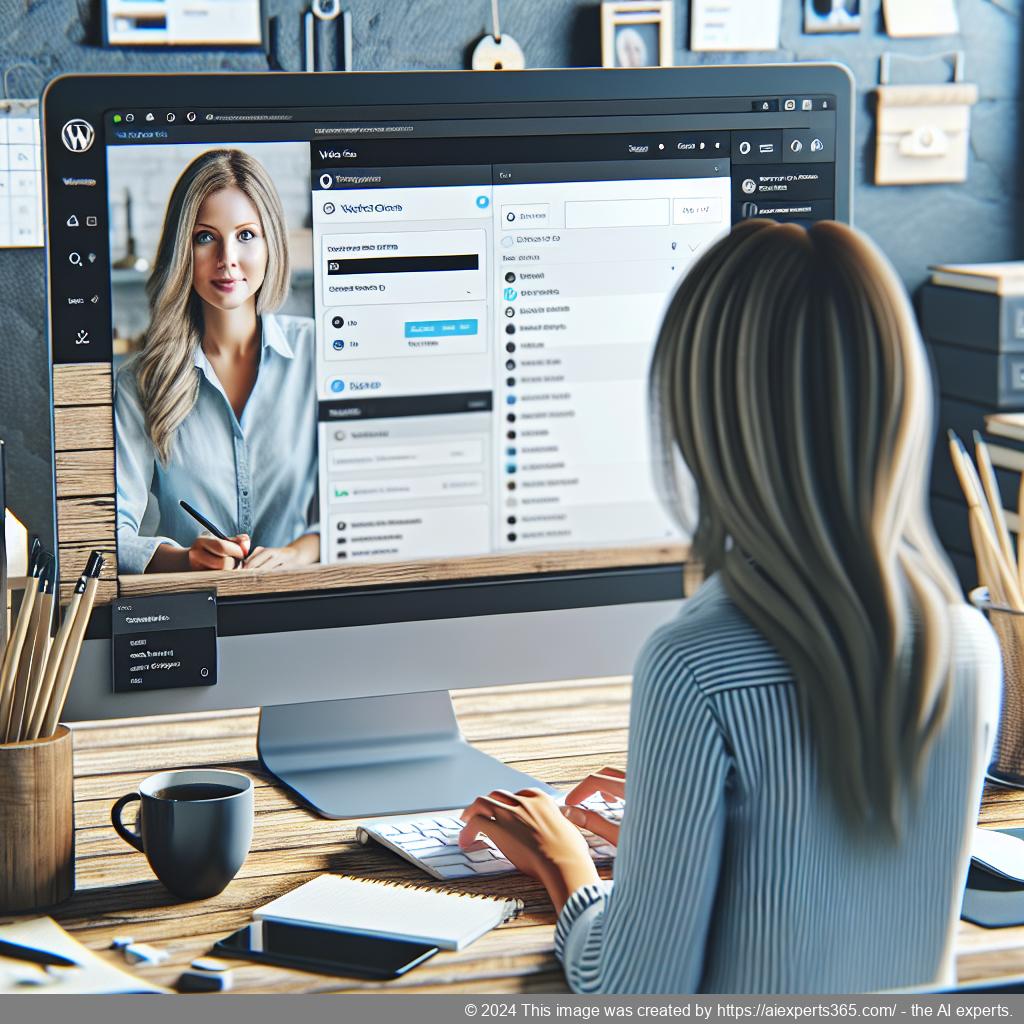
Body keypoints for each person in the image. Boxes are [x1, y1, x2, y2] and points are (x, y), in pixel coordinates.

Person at [457, 220, 1001, 993]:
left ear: (705, 414)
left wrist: (569, 867)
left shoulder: (697, 665)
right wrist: (668, 839)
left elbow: (633, 992)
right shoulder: (970, 645)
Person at [115, 149, 319, 574]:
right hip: (190, 609)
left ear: (271, 244)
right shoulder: (140, 383)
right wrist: (185, 558)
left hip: (306, 609)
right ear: (182, 248)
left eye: (246, 234)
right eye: (205, 237)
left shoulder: (321, 357)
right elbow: (112, 533)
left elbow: (361, 507)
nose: (227, 258)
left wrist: (295, 553)